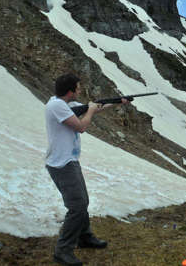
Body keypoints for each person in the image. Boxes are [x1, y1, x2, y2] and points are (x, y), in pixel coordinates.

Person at [45, 73, 129, 266]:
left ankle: (85, 237)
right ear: (70, 91)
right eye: (78, 87)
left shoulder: (65, 104)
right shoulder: (56, 106)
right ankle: (62, 251)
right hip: (61, 164)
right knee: (77, 207)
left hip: (69, 160)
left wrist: (117, 102)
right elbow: (81, 126)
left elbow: (96, 108)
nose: (81, 90)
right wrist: (90, 110)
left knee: (83, 202)